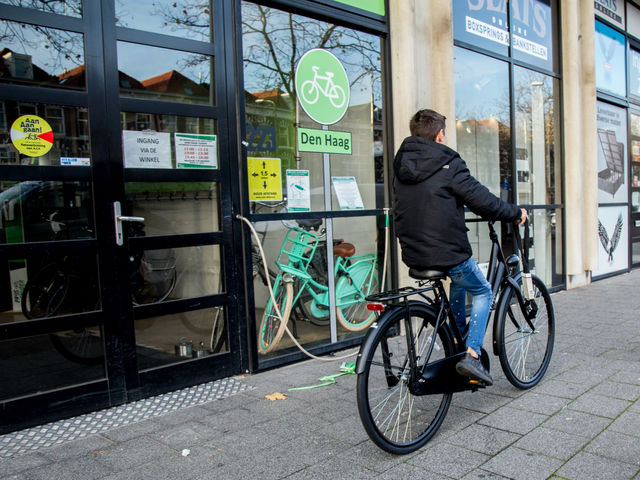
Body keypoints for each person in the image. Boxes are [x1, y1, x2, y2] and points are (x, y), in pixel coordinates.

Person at [393, 109, 527, 385]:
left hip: (414, 253)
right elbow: (483, 200)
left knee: (458, 280)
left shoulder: (401, 165)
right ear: (440, 134)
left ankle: (455, 338)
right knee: (482, 290)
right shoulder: (447, 162)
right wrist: (515, 213)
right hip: (446, 251)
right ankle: (471, 355)